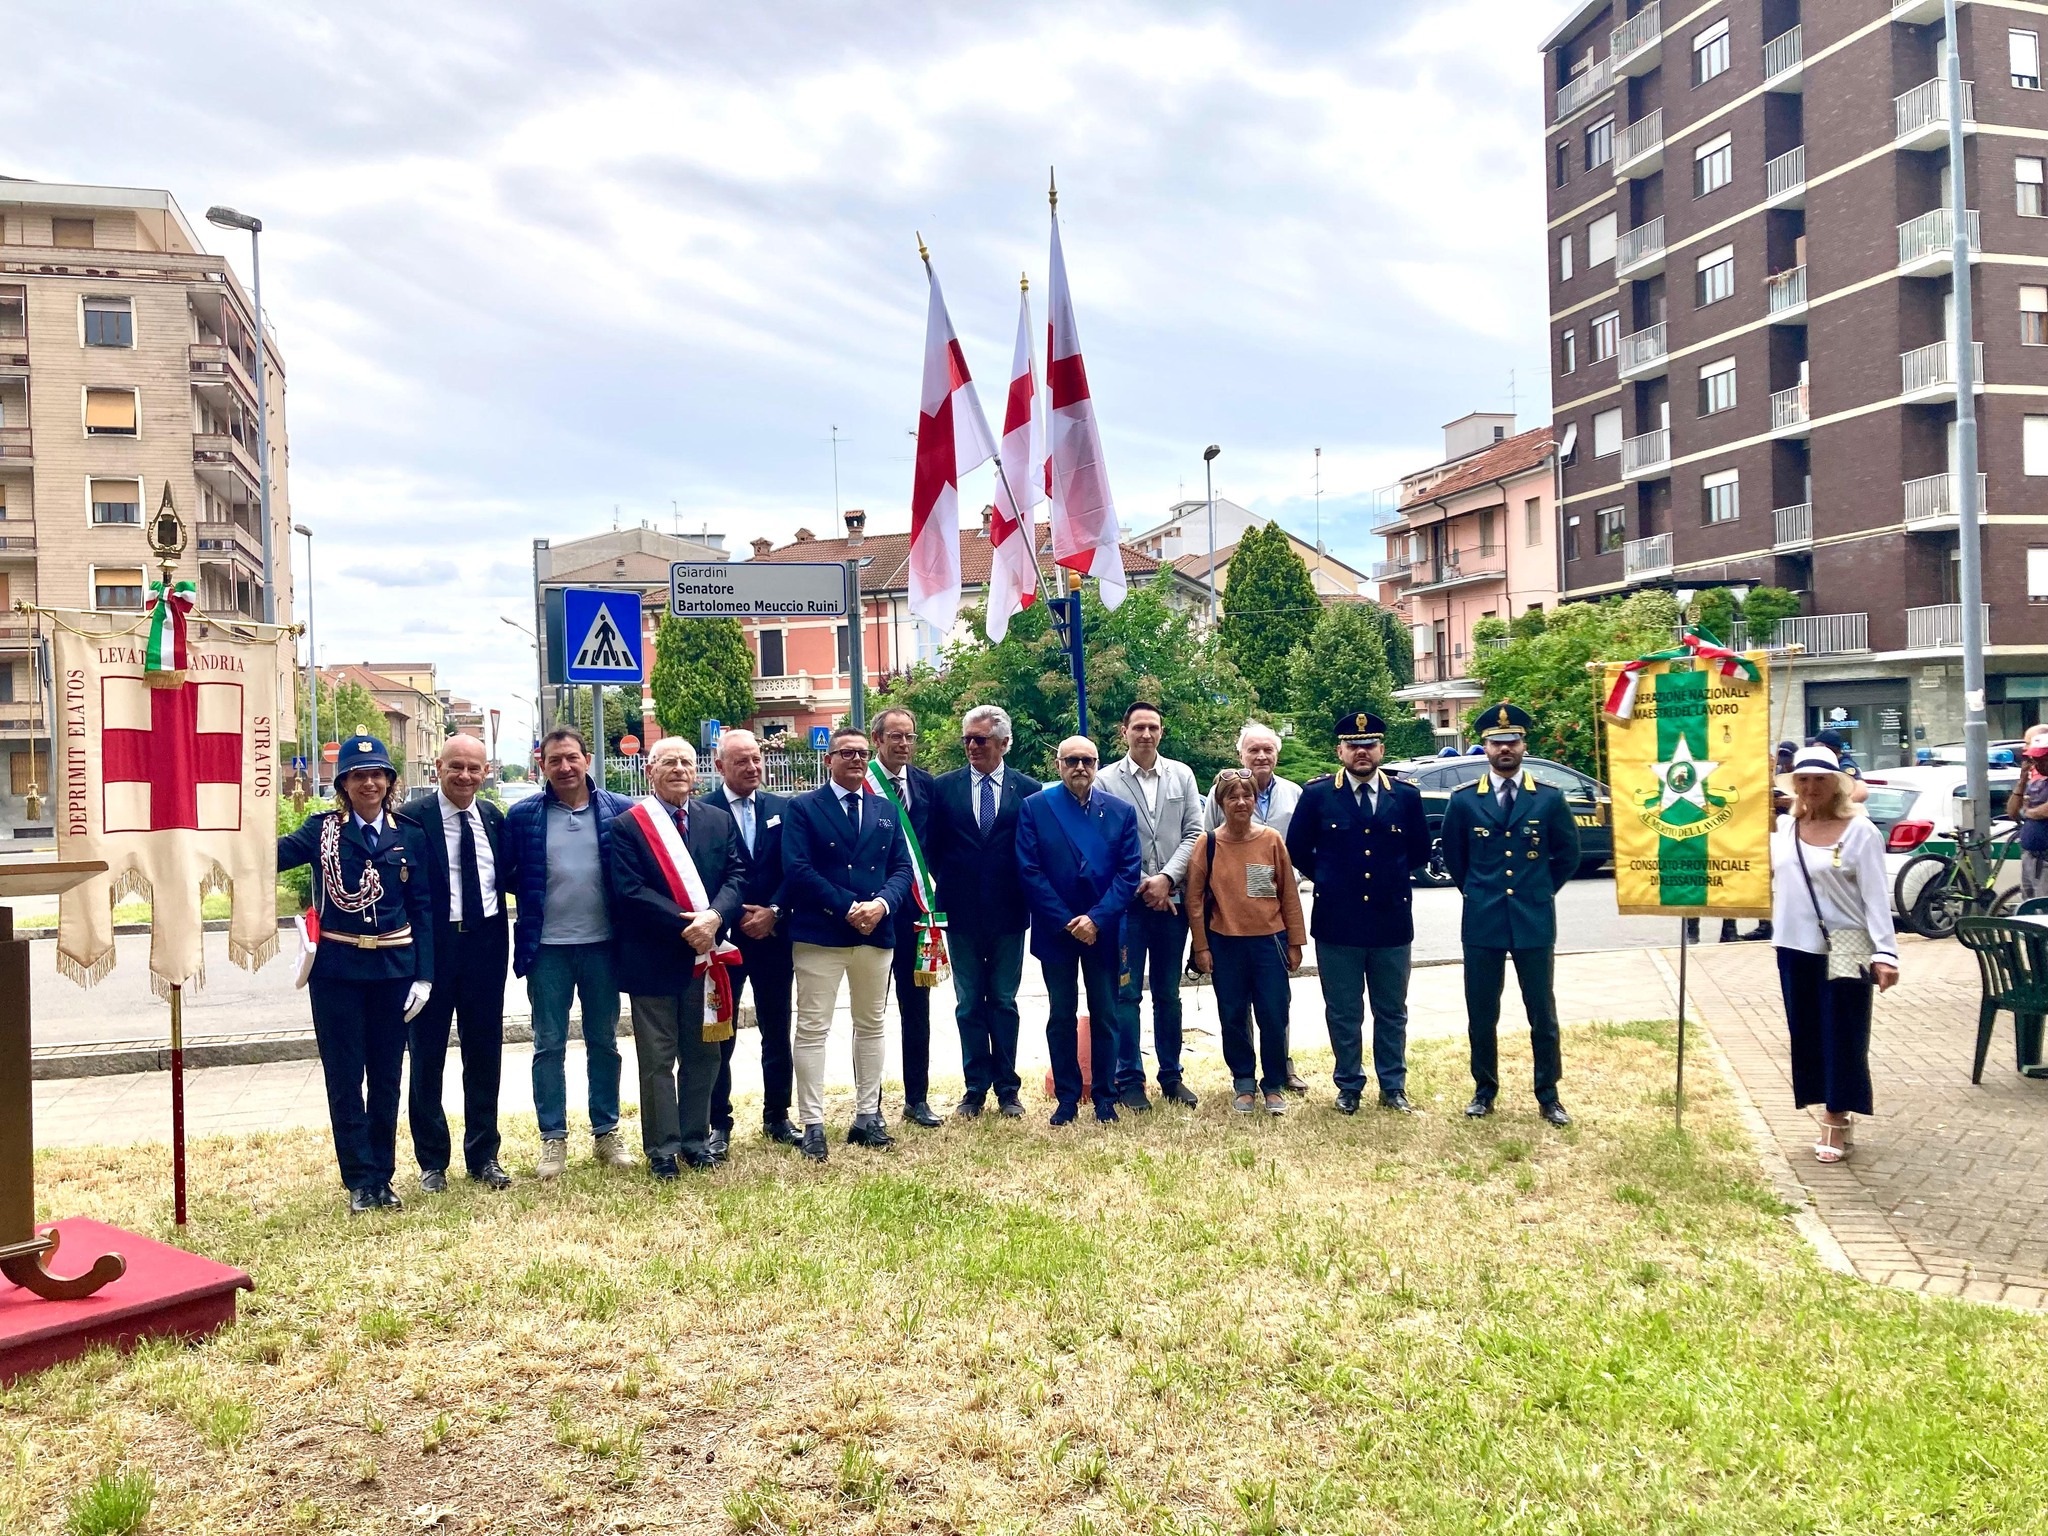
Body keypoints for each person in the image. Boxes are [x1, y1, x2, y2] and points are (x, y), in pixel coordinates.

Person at [277, 735, 436, 1214]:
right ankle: (360, 1180)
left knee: (387, 1076)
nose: (369, 782)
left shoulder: (408, 833)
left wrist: (424, 976)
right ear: (344, 783)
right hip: (339, 971)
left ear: (390, 781)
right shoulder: (322, 831)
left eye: (378, 774)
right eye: (358, 775)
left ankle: (384, 1176)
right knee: (345, 1077)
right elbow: (268, 857)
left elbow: (422, 907)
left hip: (393, 970)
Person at [501, 727, 637, 1178]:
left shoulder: (620, 809)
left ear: (588, 759)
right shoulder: (522, 816)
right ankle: (553, 1140)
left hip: (603, 946)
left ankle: (606, 1132)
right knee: (548, 1044)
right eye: (554, 760)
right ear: (542, 765)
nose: (564, 767)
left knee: (605, 1042)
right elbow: (506, 876)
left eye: (572, 758)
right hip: (548, 951)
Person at [1439, 703, 1582, 1126]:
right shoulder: (1465, 801)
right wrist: (1480, 892)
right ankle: (1484, 1090)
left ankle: (1549, 1094)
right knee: (1482, 1011)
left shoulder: (1550, 799)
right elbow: (1455, 858)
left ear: (1524, 745)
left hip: (1533, 918)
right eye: (1496, 742)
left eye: (1512, 741)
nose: (1505, 748)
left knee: (1542, 1010)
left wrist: (1538, 891)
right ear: (1483, 747)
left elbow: (1568, 855)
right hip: (1483, 919)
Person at [607, 738, 744, 1176]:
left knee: (705, 1053)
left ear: (698, 770)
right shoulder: (628, 825)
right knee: (658, 1058)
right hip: (654, 958)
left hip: (708, 959)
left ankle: (695, 1140)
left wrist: (716, 917)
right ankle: (663, 1149)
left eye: (687, 762)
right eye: (669, 762)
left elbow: (738, 874)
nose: (679, 769)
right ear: (650, 771)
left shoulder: (718, 821)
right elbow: (630, 891)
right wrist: (692, 925)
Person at [1284, 711, 1432, 1114]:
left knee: (1391, 1010)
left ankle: (1393, 1086)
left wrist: (1390, 877)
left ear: (1381, 749)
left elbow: (1419, 850)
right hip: (1338, 921)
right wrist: (1329, 878)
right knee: (1344, 1011)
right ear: (1340, 751)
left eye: (1369, 745)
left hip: (1391, 920)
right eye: (1353, 746)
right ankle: (1348, 1084)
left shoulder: (1406, 795)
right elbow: (1296, 849)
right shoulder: (1316, 796)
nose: (1361, 752)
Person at [781, 725, 914, 1161]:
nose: (856, 760)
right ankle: (813, 1123)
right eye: (846, 753)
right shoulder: (803, 807)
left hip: (876, 932)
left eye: (861, 753)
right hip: (822, 933)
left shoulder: (885, 808)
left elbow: (901, 868)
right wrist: (849, 907)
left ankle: (867, 1116)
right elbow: (798, 870)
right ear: (828, 759)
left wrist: (880, 906)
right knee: (813, 1029)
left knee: (871, 1025)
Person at [395, 735, 512, 1193]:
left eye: (474, 768)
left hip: (484, 948)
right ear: (437, 768)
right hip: (432, 950)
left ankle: (484, 1154)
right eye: (456, 766)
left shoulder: (493, 820)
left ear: (486, 772)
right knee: (426, 1056)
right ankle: (432, 1162)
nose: (465, 776)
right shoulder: (410, 819)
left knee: (485, 1053)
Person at [1773, 743, 1901, 1162]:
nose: (1811, 787)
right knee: (1806, 1029)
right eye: (1803, 780)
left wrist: (1886, 952)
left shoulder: (1860, 831)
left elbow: (1875, 897)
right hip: (1794, 943)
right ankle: (1824, 1102)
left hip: (1847, 942)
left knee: (1842, 1031)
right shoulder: (1782, 829)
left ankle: (1836, 1117)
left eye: (1820, 780)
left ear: (1837, 785)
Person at [1017, 737, 1143, 1124]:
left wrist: (1095, 919)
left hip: (1103, 930)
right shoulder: (1035, 808)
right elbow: (1029, 869)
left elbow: (1129, 872)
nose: (1080, 767)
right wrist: (1068, 921)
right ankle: (1068, 1097)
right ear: (1058, 765)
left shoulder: (1120, 812)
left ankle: (1105, 1094)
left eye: (1087, 760)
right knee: (1061, 1013)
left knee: (1106, 1014)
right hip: (1057, 930)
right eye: (1072, 760)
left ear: (1097, 764)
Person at [926, 705, 1042, 1118]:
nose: (972, 746)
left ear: (1005, 743)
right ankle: (975, 1088)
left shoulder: (1029, 790)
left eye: (982, 739)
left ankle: (1008, 1089)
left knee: (1005, 1001)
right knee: (969, 1002)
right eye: (968, 739)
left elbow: (1034, 850)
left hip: (1010, 913)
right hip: (959, 913)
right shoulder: (943, 789)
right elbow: (932, 850)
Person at [1096, 700, 1203, 1110]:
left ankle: (1171, 1076)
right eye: (1137, 727)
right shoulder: (1106, 780)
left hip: (1171, 904)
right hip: (1127, 905)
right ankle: (1129, 1079)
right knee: (1126, 995)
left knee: (1167, 993)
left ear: (1161, 732)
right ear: (1124, 731)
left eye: (1153, 727)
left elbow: (1195, 833)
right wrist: (1144, 883)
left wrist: (1166, 879)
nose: (1145, 734)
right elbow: (1105, 842)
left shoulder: (1183, 775)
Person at [699, 729, 800, 1149]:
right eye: (741, 761)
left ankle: (777, 1114)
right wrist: (733, 915)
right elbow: (702, 873)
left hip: (774, 935)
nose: (752, 767)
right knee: (720, 1030)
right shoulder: (703, 810)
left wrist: (775, 911)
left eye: (757, 759)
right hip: (724, 940)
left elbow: (796, 867)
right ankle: (718, 1121)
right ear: (720, 766)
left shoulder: (784, 809)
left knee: (777, 1027)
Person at [1187, 769, 1306, 1114]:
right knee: (1233, 1014)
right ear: (1220, 803)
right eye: (1232, 797)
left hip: (1270, 943)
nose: (1241, 802)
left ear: (1256, 800)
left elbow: (1288, 893)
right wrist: (1201, 947)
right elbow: (1194, 900)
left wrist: (1295, 941)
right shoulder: (1207, 843)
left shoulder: (1270, 840)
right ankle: (1243, 1081)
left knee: (1273, 1014)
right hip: (1226, 944)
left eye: (1247, 796)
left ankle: (1273, 1083)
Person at [870, 706, 943, 1127]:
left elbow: (933, 847)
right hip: (875, 913)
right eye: (895, 736)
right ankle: (871, 1101)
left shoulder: (925, 785)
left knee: (917, 1008)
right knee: (871, 1012)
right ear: (878, 739)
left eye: (909, 737)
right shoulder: (863, 782)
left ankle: (917, 1098)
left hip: (919, 916)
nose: (903, 744)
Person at [2008, 740, 2048, 902]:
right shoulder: (2037, 784)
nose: (2037, 764)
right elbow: (2012, 812)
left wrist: (2027, 812)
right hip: (2031, 857)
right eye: (2034, 760)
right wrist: (2022, 780)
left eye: (2041, 760)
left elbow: (2044, 811)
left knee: (2043, 908)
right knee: (2029, 905)